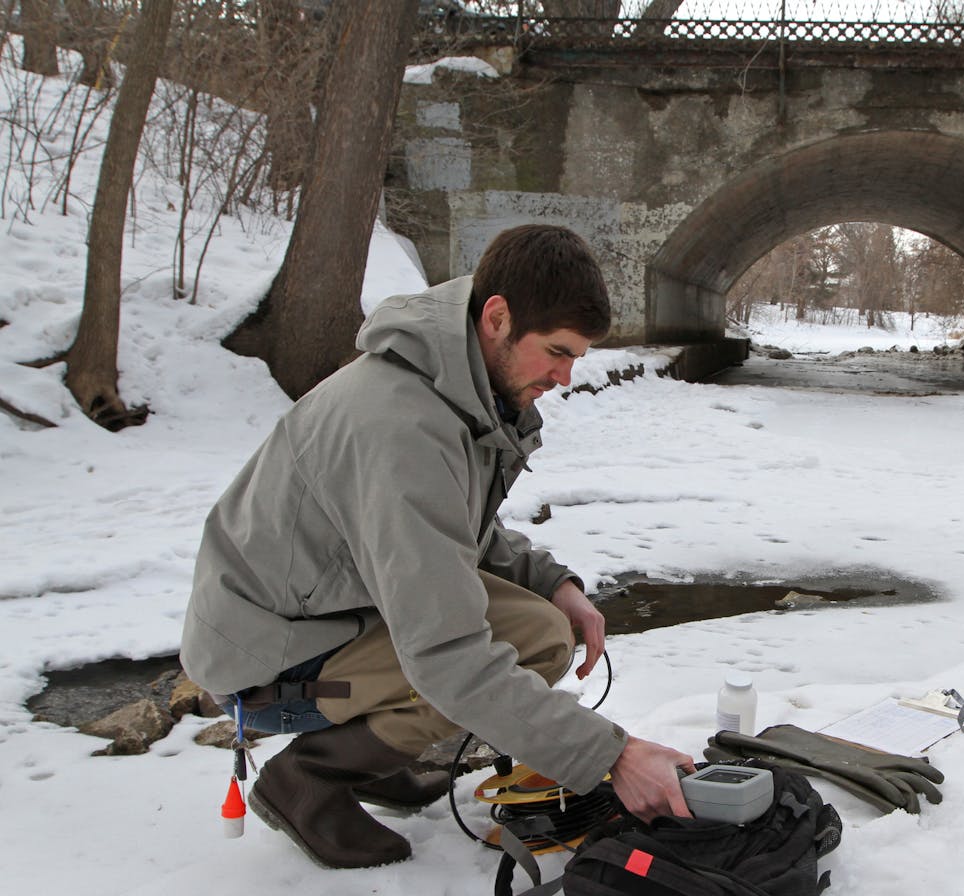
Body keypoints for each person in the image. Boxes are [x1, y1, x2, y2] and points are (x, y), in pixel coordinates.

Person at [181, 224, 695, 869]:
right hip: (269, 657)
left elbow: (447, 527)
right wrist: (614, 757)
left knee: (541, 617)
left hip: (332, 610)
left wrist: (553, 582)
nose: (564, 377)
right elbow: (447, 654)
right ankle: (308, 780)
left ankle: (373, 756)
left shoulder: (447, 384)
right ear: (497, 318)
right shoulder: (402, 426)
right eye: (557, 352)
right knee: (523, 641)